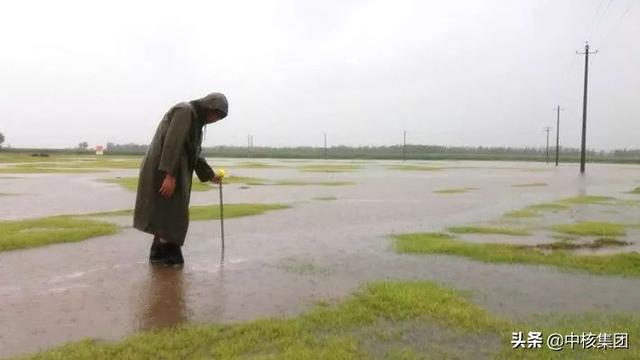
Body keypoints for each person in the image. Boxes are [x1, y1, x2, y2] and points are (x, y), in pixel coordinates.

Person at [134, 93, 228, 266]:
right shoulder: (185, 112)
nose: (215, 119)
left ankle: (158, 257)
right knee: (173, 214)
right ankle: (170, 257)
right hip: (164, 169)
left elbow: (194, 152)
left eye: (219, 117)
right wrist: (170, 175)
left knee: (167, 213)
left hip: (172, 169)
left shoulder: (196, 121)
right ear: (207, 106)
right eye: (215, 114)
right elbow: (173, 142)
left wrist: (209, 174)